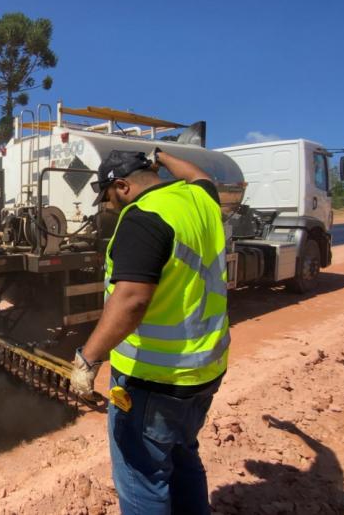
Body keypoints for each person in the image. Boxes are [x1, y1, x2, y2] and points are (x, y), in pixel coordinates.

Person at [70, 148, 229, 515]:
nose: (108, 207)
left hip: (153, 381)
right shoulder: (201, 199)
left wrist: (88, 359)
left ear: (123, 186)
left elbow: (131, 301)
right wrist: (161, 154)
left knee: (142, 476)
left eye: (108, 198)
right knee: (183, 456)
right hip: (204, 373)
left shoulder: (142, 218)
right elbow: (198, 173)